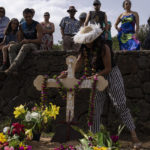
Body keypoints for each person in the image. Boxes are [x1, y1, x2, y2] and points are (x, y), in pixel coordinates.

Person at [59, 24, 141, 149]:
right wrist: (68, 72)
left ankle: (134, 137)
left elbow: (108, 68)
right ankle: (94, 139)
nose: (87, 42)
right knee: (94, 109)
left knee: (120, 105)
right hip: (97, 77)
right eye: (85, 40)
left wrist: (95, 76)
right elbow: (79, 62)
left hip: (111, 74)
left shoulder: (104, 47)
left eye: (89, 39)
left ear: (94, 38)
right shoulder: (84, 48)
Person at [5, 8, 42, 73]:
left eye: (29, 16)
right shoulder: (21, 26)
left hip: (34, 45)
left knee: (25, 46)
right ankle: (15, 71)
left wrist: (29, 40)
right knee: (11, 47)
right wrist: (16, 43)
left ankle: (11, 68)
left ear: (32, 16)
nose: (28, 18)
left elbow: (39, 40)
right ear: (23, 16)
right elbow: (20, 41)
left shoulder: (37, 25)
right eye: (26, 17)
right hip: (25, 43)